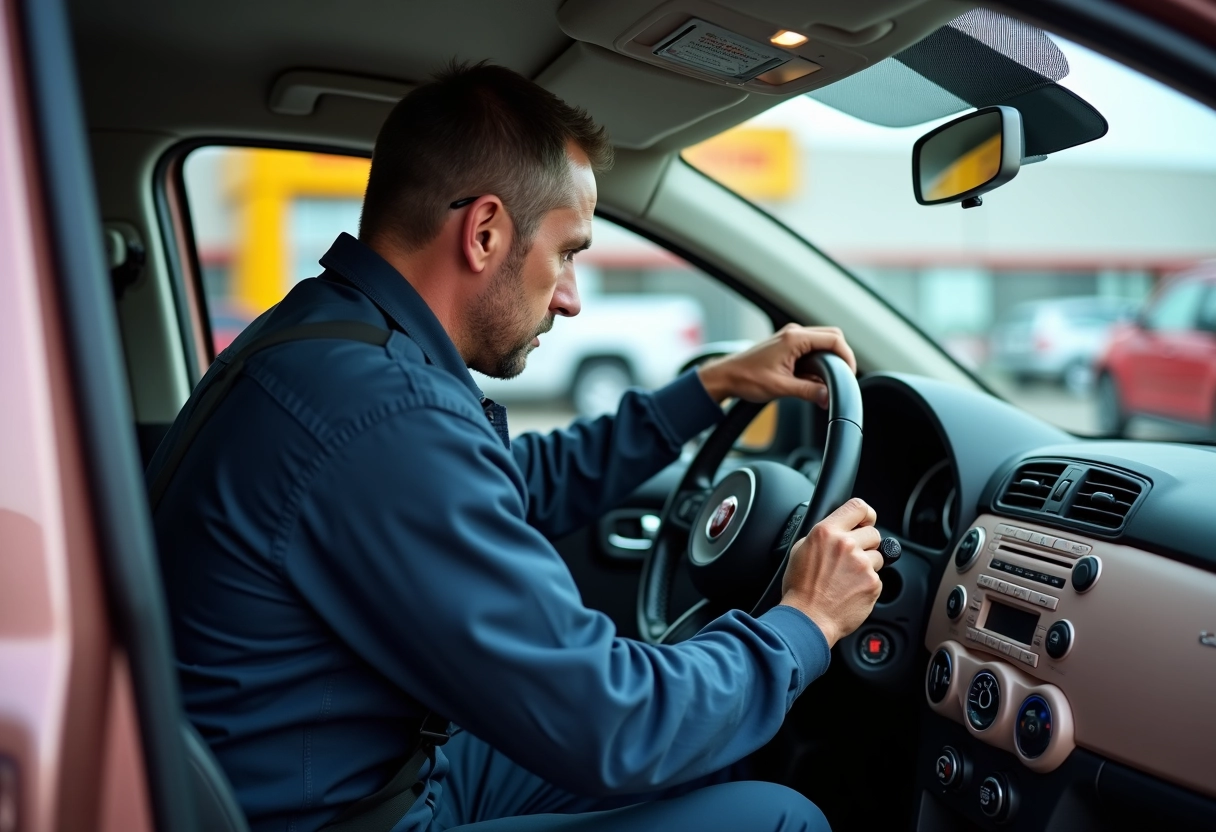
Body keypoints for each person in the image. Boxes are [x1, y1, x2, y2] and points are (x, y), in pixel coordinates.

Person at [150, 61, 884, 832]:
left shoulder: (324, 338)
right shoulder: (385, 415)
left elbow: (499, 481)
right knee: (779, 820)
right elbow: (615, 724)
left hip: (349, 777)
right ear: (486, 232)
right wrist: (806, 620)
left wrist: (712, 388)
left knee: (721, 751)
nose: (569, 296)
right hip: (347, 817)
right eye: (567, 253)